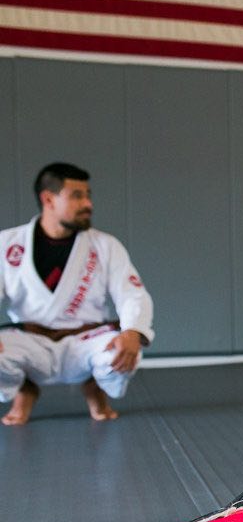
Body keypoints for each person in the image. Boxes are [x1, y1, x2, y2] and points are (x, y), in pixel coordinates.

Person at [0, 163, 154, 424]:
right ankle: (25, 389)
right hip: (30, 342)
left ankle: (94, 385)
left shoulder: (105, 245)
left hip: (87, 342)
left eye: (88, 195)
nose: (88, 204)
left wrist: (132, 331)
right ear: (48, 199)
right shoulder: (7, 244)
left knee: (125, 349)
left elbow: (132, 293)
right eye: (77, 196)